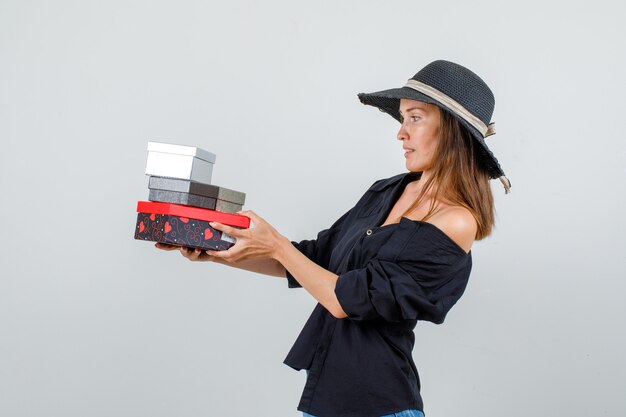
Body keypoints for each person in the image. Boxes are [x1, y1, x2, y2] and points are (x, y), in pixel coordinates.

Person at [156, 60, 510, 417]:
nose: (401, 133)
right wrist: (218, 248)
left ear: (451, 130)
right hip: (326, 398)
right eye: (402, 119)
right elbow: (314, 260)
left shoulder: (456, 221)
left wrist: (275, 242)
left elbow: (345, 299)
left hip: (380, 405)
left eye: (415, 117)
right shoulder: (386, 190)